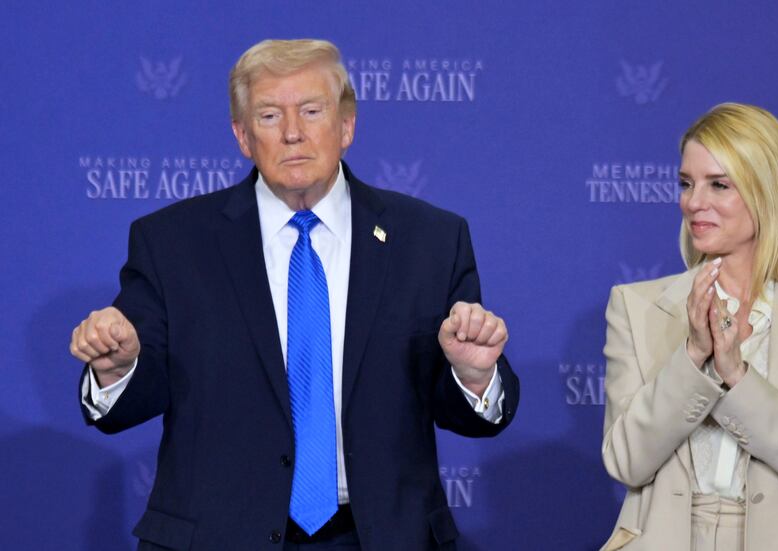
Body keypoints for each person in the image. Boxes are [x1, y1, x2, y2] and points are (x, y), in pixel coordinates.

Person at [69, 38, 519, 551]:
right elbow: (135, 397)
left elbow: (462, 412)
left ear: (346, 125)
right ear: (242, 135)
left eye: (311, 110)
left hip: (381, 538)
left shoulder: (430, 240)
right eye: (268, 115)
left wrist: (474, 374)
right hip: (219, 538)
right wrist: (116, 368)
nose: (292, 133)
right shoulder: (172, 243)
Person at [600, 103, 778, 551]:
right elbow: (626, 461)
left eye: (718, 185)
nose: (693, 202)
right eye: (686, 183)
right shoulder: (635, 306)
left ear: (767, 193)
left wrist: (737, 377)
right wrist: (691, 358)